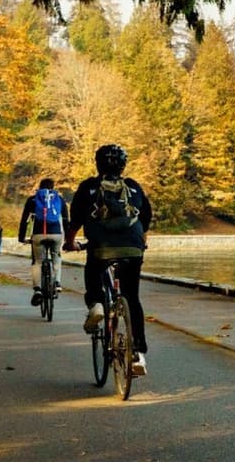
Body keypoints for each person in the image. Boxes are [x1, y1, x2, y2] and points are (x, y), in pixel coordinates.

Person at [67, 144, 152, 375]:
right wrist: (142, 241)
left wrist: (70, 242)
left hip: (100, 247)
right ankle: (137, 355)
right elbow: (146, 217)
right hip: (133, 248)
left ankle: (95, 304)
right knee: (131, 298)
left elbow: (75, 220)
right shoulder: (133, 187)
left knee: (93, 270)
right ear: (124, 165)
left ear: (97, 163)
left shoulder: (88, 187)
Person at [17, 178, 67, 306]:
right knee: (56, 256)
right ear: (53, 187)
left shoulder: (33, 200)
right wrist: (68, 239)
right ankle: (57, 283)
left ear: (40, 187)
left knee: (38, 261)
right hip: (56, 234)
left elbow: (25, 221)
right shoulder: (59, 200)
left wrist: (21, 237)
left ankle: (38, 289)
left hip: (38, 234)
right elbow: (66, 220)